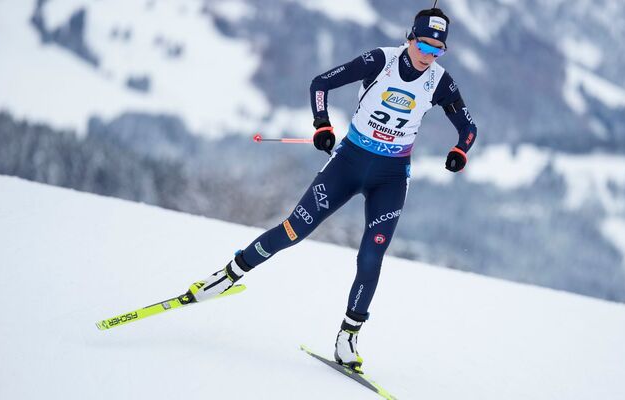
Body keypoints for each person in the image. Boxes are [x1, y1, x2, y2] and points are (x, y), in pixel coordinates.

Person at [187, 7, 478, 372]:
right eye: (424, 46)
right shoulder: (381, 61)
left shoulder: (439, 81)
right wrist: (322, 124)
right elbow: (320, 83)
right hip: (349, 163)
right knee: (294, 229)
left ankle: (348, 336)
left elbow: (468, 129)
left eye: (438, 50)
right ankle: (229, 274)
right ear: (410, 38)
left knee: (372, 255)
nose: (429, 55)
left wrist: (459, 151)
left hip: (391, 177)